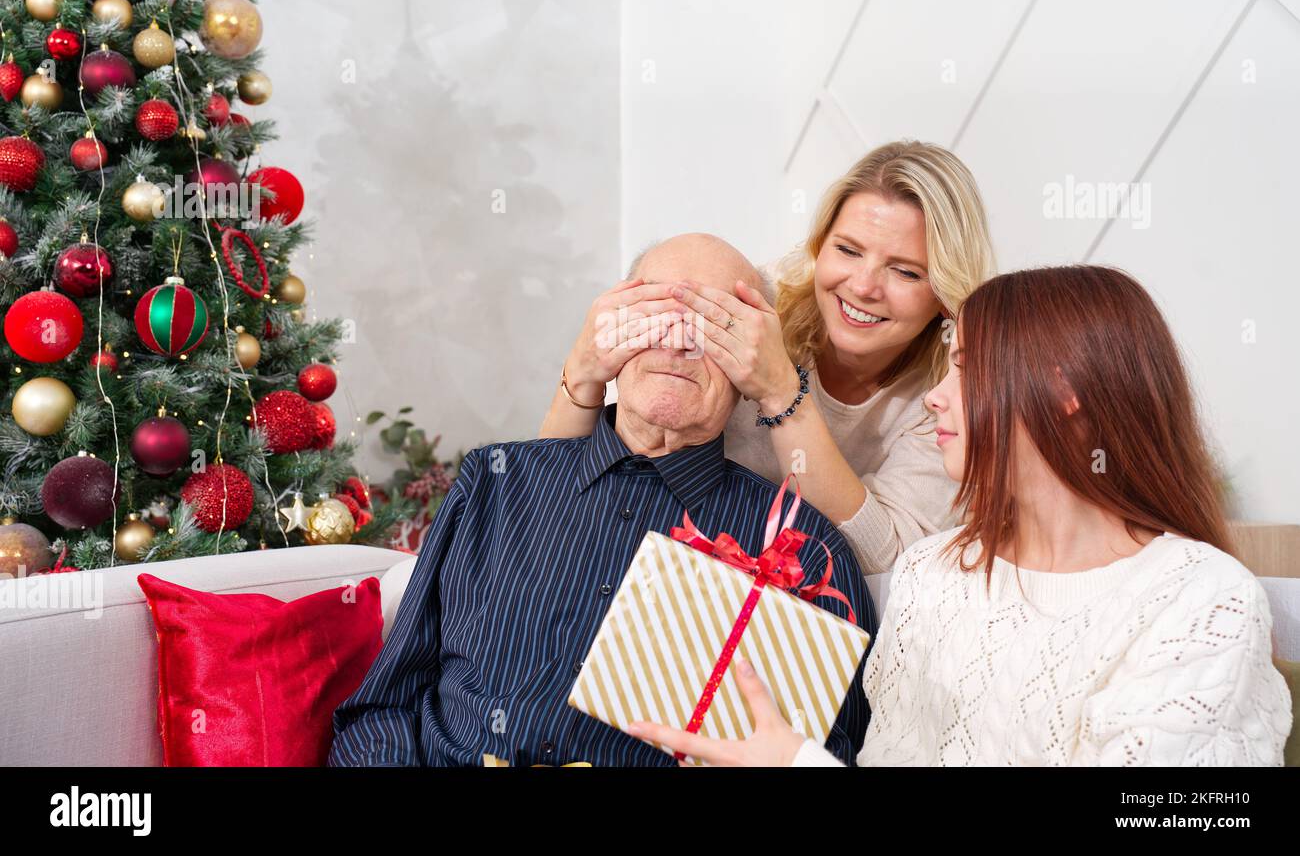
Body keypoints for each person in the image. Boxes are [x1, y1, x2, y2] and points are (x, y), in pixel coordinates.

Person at [626, 265, 1293, 766]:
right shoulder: (932, 575)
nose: (936, 400)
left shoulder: (1202, 601)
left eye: (967, 369)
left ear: (1063, 392)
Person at [329, 234, 875, 767]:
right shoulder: (494, 481)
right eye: (654, 312)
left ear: (752, 362)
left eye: (714, 325)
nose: (677, 341)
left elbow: (827, 755)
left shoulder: (804, 550)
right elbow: (384, 706)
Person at [540, 140, 995, 574]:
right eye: (847, 250)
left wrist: (782, 394)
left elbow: (889, 560)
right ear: (818, 245)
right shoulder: (753, 303)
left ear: (944, 293)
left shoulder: (954, 395)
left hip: (813, 603)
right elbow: (548, 492)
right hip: (673, 551)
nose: (863, 286)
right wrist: (582, 372)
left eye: (905, 271)